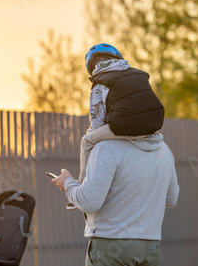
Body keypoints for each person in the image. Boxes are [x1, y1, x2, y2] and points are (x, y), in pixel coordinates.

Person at [51, 43, 179, 265]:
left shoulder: (105, 149)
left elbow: (89, 202)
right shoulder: (164, 151)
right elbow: (172, 199)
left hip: (110, 247)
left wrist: (69, 184)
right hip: (150, 247)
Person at [66, 43, 165, 210]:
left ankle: (82, 185)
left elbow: (97, 118)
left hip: (123, 124)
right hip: (154, 124)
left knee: (87, 141)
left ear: (91, 67)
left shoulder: (101, 81)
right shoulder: (138, 74)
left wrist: (95, 134)